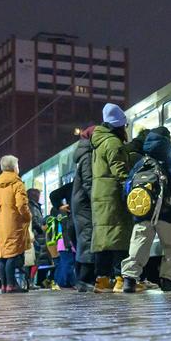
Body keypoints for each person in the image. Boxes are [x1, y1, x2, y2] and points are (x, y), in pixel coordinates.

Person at [120, 126, 171, 293]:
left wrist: (136, 211)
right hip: (167, 214)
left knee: (138, 246)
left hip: (143, 214)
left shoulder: (140, 164)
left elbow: (127, 190)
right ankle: (169, 280)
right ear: (168, 142)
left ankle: (129, 280)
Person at [90, 104, 138, 292]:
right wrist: (131, 185)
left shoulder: (99, 142)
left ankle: (102, 281)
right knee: (119, 236)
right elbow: (120, 171)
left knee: (104, 239)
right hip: (112, 196)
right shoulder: (113, 143)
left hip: (100, 195)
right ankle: (120, 279)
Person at [0, 155, 32, 293]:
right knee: (12, 255)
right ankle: (11, 285)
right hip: (13, 223)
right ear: (14, 167)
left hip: (0, 224)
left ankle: (4, 285)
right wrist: (28, 216)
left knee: (3, 255)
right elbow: (21, 205)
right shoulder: (17, 184)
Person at [70, 125, 97, 292]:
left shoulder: (84, 154)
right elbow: (89, 182)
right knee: (87, 238)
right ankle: (84, 280)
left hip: (81, 203)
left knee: (85, 239)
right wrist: (97, 198)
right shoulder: (87, 156)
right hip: (85, 204)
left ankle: (82, 279)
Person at [47, 185, 77, 290]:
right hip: (65, 242)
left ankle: (64, 282)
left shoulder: (57, 213)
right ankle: (62, 282)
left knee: (64, 263)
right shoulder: (64, 214)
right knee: (66, 263)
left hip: (61, 242)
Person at [27, 188, 48, 288]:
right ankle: (30, 282)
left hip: (37, 236)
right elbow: (35, 221)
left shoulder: (33, 206)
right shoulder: (33, 206)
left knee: (35, 260)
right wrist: (41, 228)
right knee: (34, 260)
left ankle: (30, 282)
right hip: (36, 237)